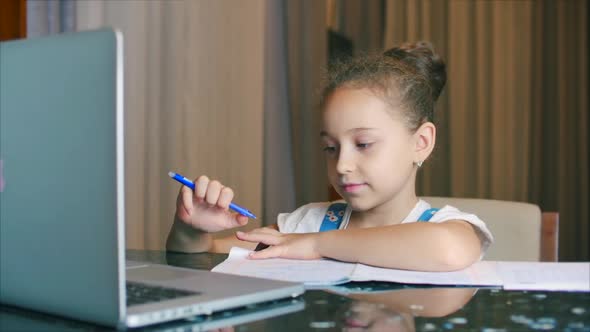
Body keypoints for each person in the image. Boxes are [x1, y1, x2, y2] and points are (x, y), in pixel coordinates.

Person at [166, 42, 493, 271]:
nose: (342, 165)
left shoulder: (445, 226)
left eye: (363, 144)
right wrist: (192, 231)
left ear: (421, 142)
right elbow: (202, 259)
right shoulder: (306, 223)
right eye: (330, 147)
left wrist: (315, 245)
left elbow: (448, 250)